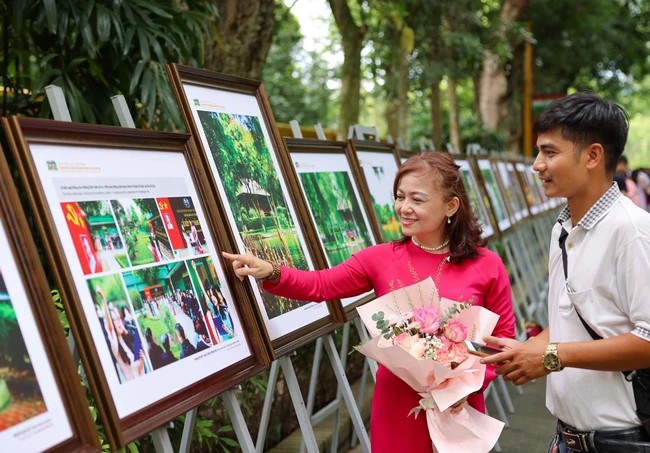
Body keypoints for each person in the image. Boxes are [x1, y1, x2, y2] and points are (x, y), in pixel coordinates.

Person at [223, 151, 515, 453]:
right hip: (397, 404)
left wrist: (468, 384)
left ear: (450, 206)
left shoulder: (487, 265)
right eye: (400, 197)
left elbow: (504, 341)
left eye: (417, 199)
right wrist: (271, 271)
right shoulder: (379, 259)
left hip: (460, 406)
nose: (404, 208)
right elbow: (321, 285)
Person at [483, 91, 650, 452]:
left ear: (593, 155)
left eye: (550, 152)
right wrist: (528, 350)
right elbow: (570, 321)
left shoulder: (632, 231)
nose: (537, 165)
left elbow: (647, 339)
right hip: (566, 438)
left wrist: (551, 355)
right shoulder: (562, 228)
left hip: (621, 442)